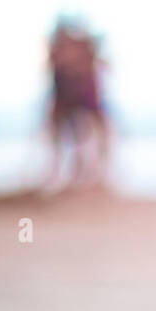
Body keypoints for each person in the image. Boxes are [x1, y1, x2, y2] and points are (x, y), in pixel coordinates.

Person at [44, 17, 111, 190]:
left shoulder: (80, 49)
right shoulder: (66, 50)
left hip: (83, 98)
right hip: (69, 99)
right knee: (70, 136)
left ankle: (94, 175)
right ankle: (64, 175)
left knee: (89, 134)